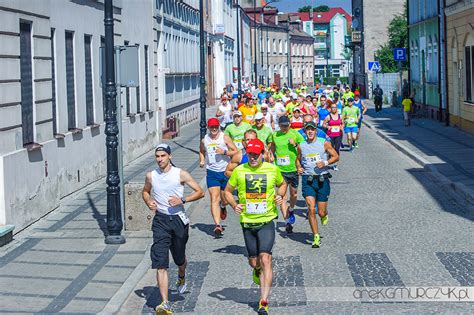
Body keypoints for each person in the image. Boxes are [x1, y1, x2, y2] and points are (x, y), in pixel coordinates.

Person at [224, 139, 287, 315]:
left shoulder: (272, 169)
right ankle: (256, 269)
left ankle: (263, 302)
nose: (252, 157)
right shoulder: (239, 171)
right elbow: (227, 191)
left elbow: (282, 185)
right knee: (254, 262)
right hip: (247, 222)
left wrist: (280, 196)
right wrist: (234, 205)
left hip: (266, 221)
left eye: (256, 154)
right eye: (250, 154)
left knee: (266, 258)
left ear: (262, 154)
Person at [142, 144, 205, 315]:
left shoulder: (180, 174)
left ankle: (182, 274)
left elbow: (200, 192)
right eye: (157, 156)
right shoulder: (151, 176)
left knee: (179, 258)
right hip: (161, 221)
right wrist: (149, 202)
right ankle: (165, 303)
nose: (160, 159)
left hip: (178, 221)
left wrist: (182, 200)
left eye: (163, 156)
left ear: (169, 156)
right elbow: (145, 192)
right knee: (161, 263)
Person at [296, 122, 339, 248]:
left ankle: (324, 215)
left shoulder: (323, 143)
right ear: (305, 132)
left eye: (312, 130)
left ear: (316, 131)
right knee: (310, 208)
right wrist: (299, 167)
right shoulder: (301, 146)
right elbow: (298, 160)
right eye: (307, 130)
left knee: (321, 211)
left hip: (322, 179)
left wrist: (325, 162)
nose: (310, 132)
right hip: (307, 180)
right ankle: (316, 235)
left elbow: (336, 156)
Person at [199, 118, 238, 237]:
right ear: (208, 128)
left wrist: (225, 152)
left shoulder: (224, 137)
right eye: (212, 127)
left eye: (216, 126)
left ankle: (223, 206)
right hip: (212, 172)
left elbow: (236, 151)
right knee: (214, 198)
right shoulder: (204, 140)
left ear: (219, 126)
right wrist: (202, 161)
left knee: (225, 199)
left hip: (225, 171)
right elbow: (201, 151)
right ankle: (217, 225)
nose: (214, 129)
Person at [268, 116, 304, 234]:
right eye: (282, 125)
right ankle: (287, 221)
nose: (284, 128)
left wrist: (295, 145)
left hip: (293, 169)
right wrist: (271, 155)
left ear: (289, 124)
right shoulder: (275, 135)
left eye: (286, 125)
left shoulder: (295, 134)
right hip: (280, 170)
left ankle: (292, 210)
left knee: (293, 194)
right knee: (282, 196)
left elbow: (303, 149)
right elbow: (272, 147)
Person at [323, 103, 343, 171]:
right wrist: (327, 126)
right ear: (330, 109)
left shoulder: (340, 116)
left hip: (338, 135)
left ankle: (335, 165)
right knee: (329, 150)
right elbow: (323, 124)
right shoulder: (328, 116)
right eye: (332, 107)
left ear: (336, 108)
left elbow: (343, 123)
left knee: (337, 149)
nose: (334, 109)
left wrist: (341, 127)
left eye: (335, 107)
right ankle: (327, 162)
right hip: (330, 135)